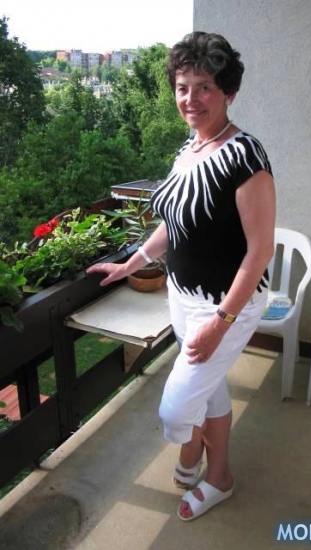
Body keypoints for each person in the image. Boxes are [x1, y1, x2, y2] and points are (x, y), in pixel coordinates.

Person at [87, 31, 276, 521]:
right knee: (208, 387)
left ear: (229, 92)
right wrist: (132, 262)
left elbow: (260, 252)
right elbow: (175, 222)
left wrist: (220, 322)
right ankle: (219, 474)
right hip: (182, 293)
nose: (191, 99)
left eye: (205, 87)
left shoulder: (246, 158)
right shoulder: (189, 146)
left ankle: (192, 449)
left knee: (175, 409)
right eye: (183, 87)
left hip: (227, 304)